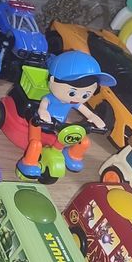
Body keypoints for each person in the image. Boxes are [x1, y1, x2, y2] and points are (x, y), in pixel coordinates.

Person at [16, 51, 116, 179]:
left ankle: (71, 155)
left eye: (86, 95)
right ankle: (28, 163)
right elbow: (43, 106)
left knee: (83, 141)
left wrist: (93, 117)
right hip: (39, 124)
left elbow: (87, 112)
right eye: (72, 93)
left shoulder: (74, 103)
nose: (78, 98)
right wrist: (43, 112)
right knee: (36, 143)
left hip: (58, 126)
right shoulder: (50, 98)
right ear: (52, 81)